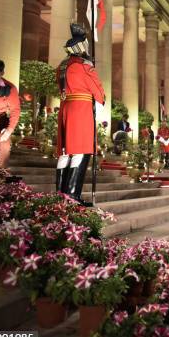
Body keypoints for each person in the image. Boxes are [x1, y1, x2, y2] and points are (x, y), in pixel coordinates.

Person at [55, 23, 105, 205]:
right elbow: (99, 92)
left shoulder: (61, 66)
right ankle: (73, 195)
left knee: (65, 152)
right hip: (81, 109)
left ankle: (60, 194)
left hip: (66, 108)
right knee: (81, 151)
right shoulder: (85, 66)